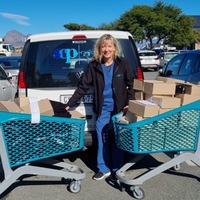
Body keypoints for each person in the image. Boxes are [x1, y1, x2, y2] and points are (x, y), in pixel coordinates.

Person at [65, 34, 135, 181]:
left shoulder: (123, 63)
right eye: (103, 46)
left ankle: (116, 169)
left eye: (109, 46)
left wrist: (131, 102)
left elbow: (131, 84)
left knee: (118, 138)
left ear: (115, 48)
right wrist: (70, 103)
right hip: (103, 108)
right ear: (99, 48)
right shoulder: (94, 66)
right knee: (101, 135)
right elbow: (83, 86)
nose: (106, 49)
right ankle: (103, 168)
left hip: (120, 108)